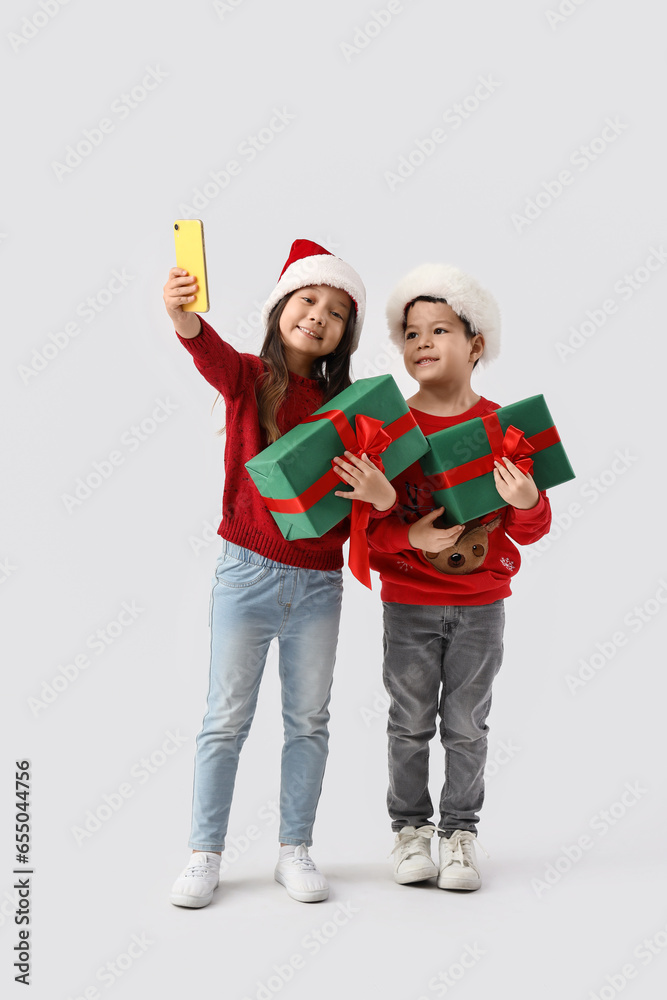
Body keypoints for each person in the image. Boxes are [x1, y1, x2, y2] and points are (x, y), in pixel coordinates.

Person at [163, 239, 396, 907]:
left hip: (319, 584)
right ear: (280, 307)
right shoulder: (248, 379)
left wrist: (376, 490)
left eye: (334, 311)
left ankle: (294, 849)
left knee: (308, 720)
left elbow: (377, 494)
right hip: (246, 575)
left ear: (346, 334)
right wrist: (183, 318)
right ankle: (204, 853)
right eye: (307, 300)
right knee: (225, 719)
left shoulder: (353, 407)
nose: (318, 316)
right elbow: (204, 351)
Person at [335, 263, 552, 891]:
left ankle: (460, 832)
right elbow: (365, 537)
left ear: (475, 344)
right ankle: (410, 832)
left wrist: (528, 498)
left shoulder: (506, 429)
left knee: (465, 723)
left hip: (483, 604)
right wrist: (409, 533)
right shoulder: (386, 430)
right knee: (408, 721)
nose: (422, 342)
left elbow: (533, 530)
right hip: (409, 603)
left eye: (439, 329)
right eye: (410, 333)